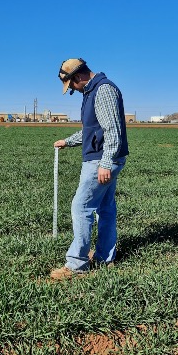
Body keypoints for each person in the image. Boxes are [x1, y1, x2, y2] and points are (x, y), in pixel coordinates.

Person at [50, 58, 129, 280]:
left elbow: (112, 130)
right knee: (105, 208)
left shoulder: (103, 90)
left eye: (71, 85)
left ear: (76, 77)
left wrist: (105, 162)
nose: (72, 90)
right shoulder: (92, 91)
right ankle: (105, 257)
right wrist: (68, 141)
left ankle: (76, 264)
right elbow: (91, 130)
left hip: (101, 160)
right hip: (104, 158)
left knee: (81, 206)